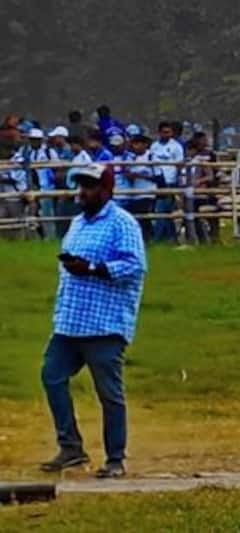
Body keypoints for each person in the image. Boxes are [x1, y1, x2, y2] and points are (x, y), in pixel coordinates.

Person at [40, 161, 147, 479]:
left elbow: (134, 266)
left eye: (89, 186)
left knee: (109, 393)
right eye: (80, 186)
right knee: (51, 376)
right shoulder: (77, 223)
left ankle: (115, 459)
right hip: (70, 321)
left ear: (106, 190)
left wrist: (92, 268)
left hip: (105, 324)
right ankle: (71, 446)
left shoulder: (122, 223)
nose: (82, 192)